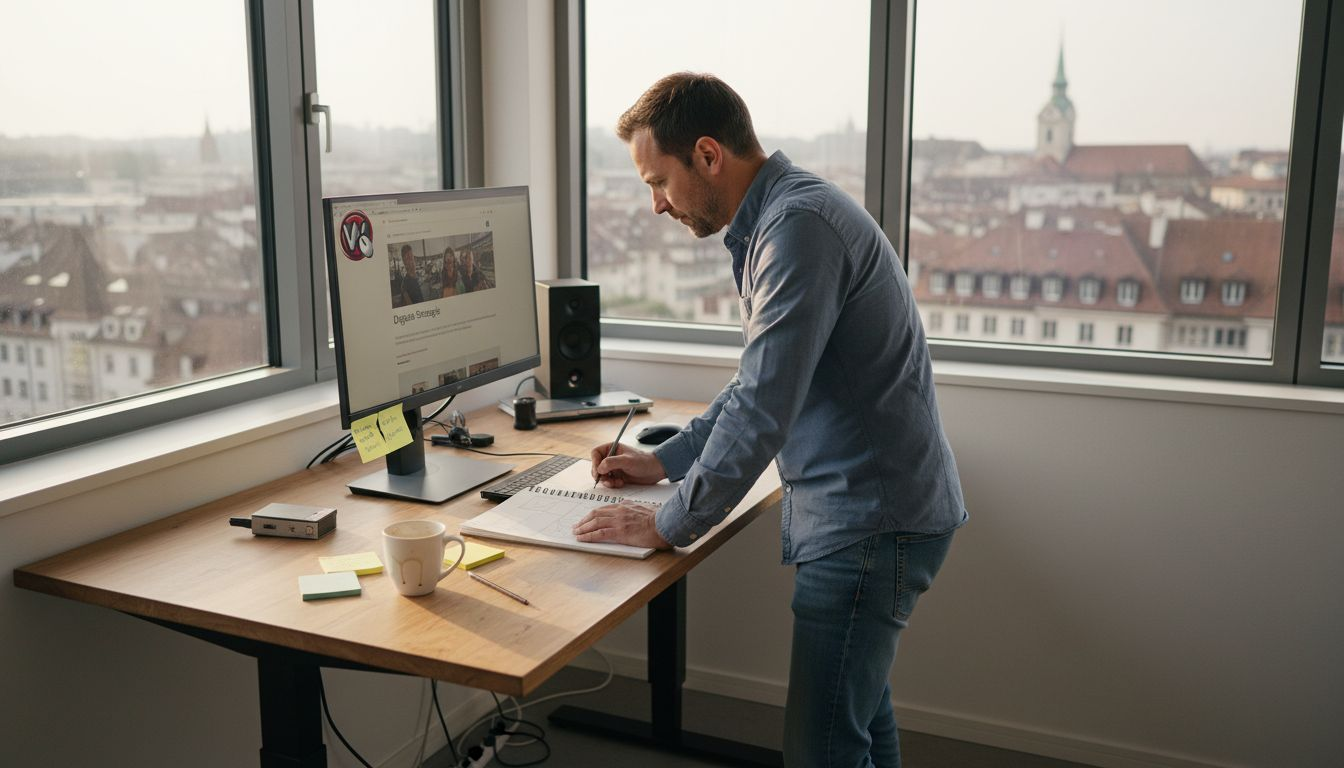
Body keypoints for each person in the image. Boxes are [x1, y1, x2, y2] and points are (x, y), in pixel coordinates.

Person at [571, 72, 967, 767]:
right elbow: (758, 380)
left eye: (657, 182)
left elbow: (762, 407)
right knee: (860, 719)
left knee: (821, 749)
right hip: (879, 511)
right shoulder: (782, 218)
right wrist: (665, 461)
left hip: (870, 523)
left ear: (707, 154)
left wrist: (666, 524)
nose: (656, 204)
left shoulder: (797, 229)